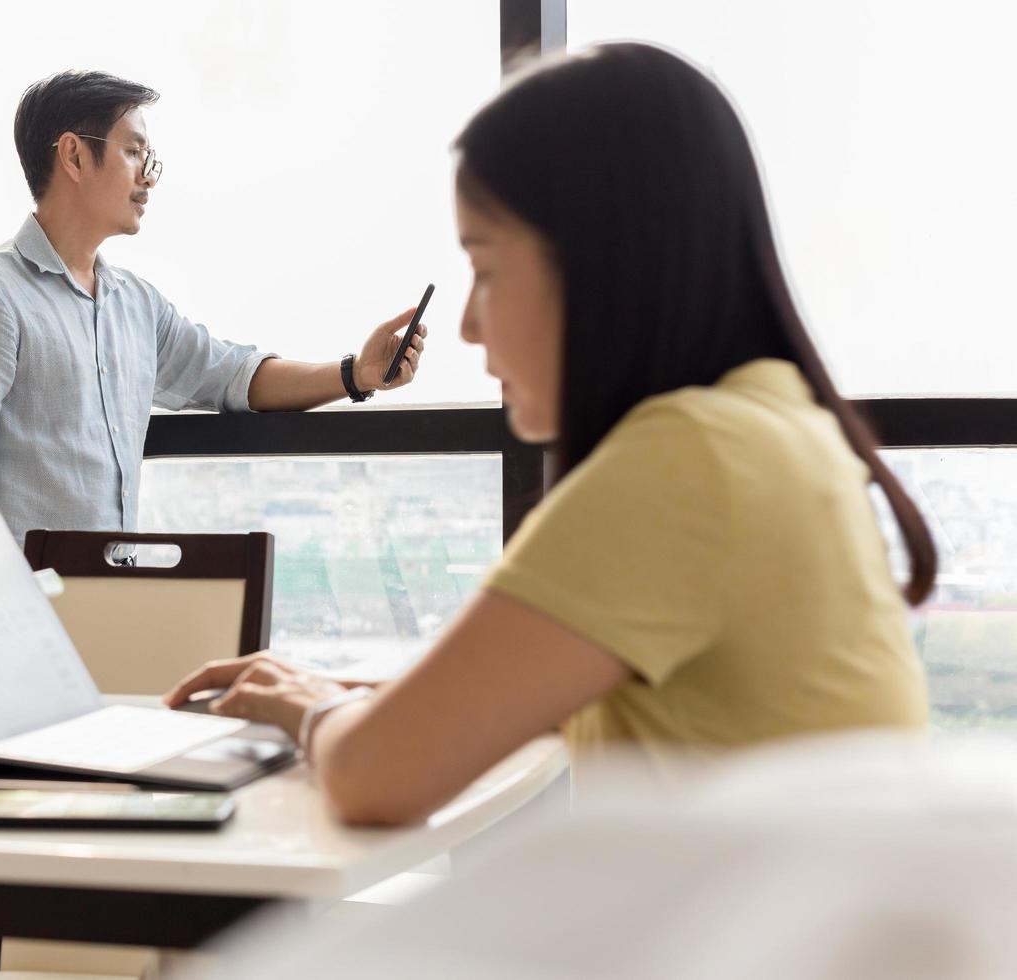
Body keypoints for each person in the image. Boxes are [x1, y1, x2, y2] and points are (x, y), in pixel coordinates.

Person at [163, 42, 936, 826]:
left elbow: (374, 778)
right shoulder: (771, 424)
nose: (466, 325)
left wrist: (314, 713)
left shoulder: (688, 459)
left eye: (488, 270)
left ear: (605, 267)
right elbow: (515, 697)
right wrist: (330, 696)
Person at [0, 70, 427, 539]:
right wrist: (12, 601)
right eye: (134, 153)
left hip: (111, 608)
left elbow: (232, 376)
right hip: (23, 619)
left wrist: (357, 374)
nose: (148, 177)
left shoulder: (135, 304)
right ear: (74, 156)